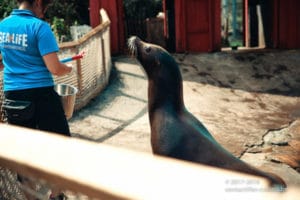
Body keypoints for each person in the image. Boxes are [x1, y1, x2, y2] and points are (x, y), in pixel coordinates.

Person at [0, 0, 72, 199]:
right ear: (38, 3)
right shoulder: (39, 27)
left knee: (23, 152)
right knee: (62, 145)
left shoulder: (2, 25)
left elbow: (2, 61)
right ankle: (56, 195)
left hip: (13, 96)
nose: (43, 14)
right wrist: (68, 68)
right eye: (45, 9)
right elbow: (55, 68)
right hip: (40, 94)